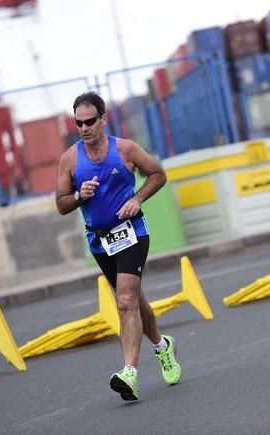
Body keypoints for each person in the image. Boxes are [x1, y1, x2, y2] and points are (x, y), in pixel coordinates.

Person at [56, 91, 181, 400]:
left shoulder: (125, 149)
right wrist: (78, 196)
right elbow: (60, 204)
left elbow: (158, 174)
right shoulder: (70, 159)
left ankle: (130, 373)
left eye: (89, 121)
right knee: (134, 300)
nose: (84, 128)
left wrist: (137, 199)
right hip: (99, 240)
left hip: (132, 232)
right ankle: (163, 347)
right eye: (78, 123)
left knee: (124, 300)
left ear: (103, 119)